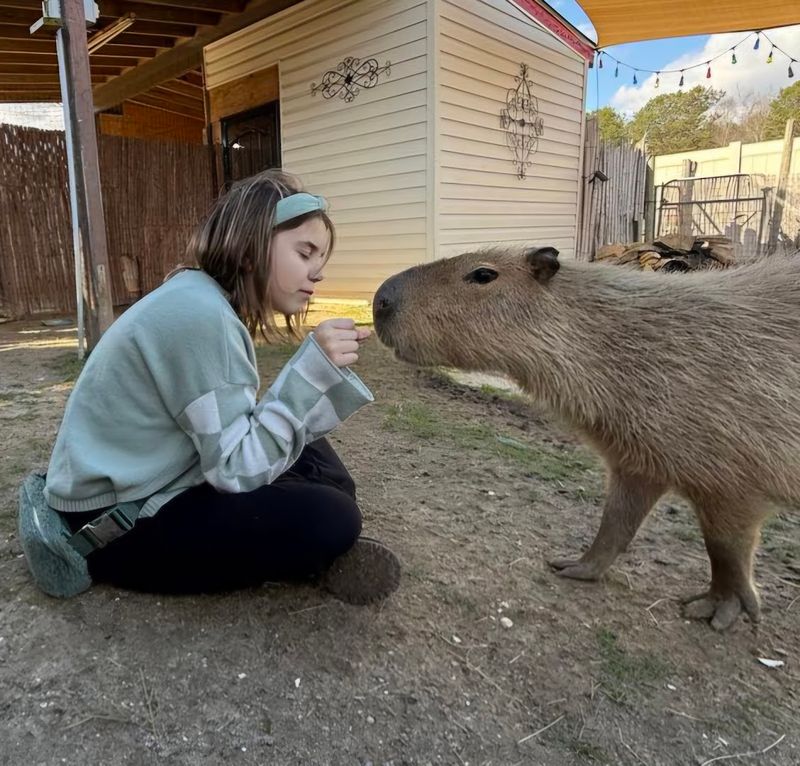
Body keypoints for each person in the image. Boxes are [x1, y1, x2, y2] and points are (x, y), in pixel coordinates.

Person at [17, 169, 400, 605]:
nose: (317, 273)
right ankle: (318, 552)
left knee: (320, 464)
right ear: (250, 249)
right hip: (113, 524)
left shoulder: (199, 298)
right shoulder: (204, 318)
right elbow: (234, 470)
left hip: (152, 475)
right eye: (305, 252)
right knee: (334, 517)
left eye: (321, 260)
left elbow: (235, 433)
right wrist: (312, 372)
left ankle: (312, 546)